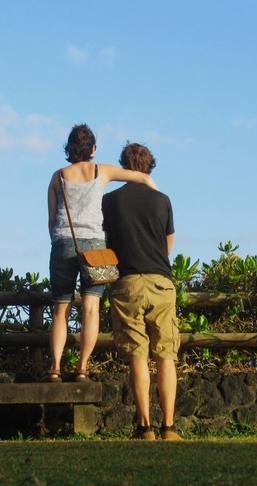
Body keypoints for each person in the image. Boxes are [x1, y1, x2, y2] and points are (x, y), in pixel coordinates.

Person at [46, 124, 158, 382]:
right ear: (93, 149)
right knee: (91, 308)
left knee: (60, 309)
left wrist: (58, 240)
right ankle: (82, 368)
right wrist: (155, 195)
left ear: (69, 148)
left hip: (63, 242)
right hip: (95, 247)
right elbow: (141, 178)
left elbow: (51, 219)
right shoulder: (102, 170)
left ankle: (55, 368)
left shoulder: (57, 176)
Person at [102, 142, 181, 440]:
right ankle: (169, 427)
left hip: (127, 282)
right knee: (166, 355)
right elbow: (168, 244)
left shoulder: (110, 201)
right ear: (150, 167)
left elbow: (104, 240)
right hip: (161, 281)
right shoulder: (163, 200)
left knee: (137, 355)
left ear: (124, 165)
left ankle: (144, 426)